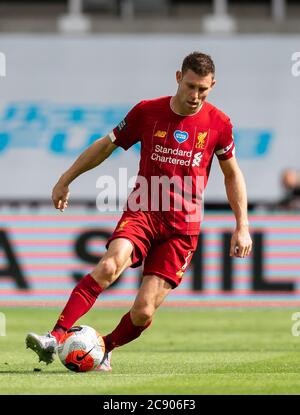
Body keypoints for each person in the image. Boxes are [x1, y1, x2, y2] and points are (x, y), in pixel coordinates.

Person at [26, 51, 252, 371]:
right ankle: (56, 335)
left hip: (182, 228)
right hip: (144, 210)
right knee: (109, 266)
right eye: (190, 86)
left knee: (143, 312)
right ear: (178, 78)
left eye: (203, 89)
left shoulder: (219, 124)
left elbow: (232, 174)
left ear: (213, 84)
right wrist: (66, 179)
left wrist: (242, 224)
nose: (195, 95)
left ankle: (103, 347)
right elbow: (105, 145)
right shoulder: (148, 112)